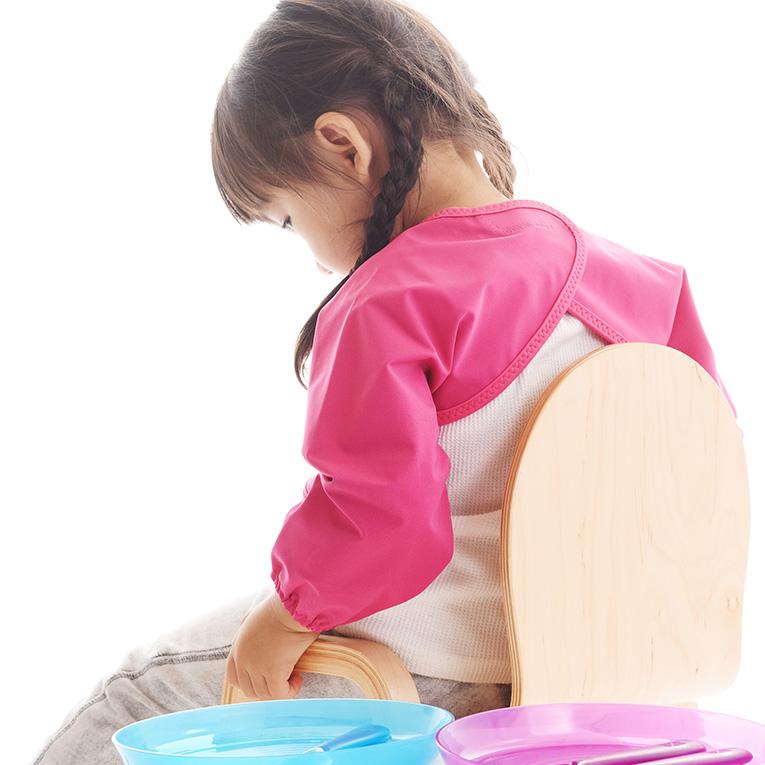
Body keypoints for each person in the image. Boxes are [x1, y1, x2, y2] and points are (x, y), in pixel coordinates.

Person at [31, 0, 738, 762]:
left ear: (342, 145)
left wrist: (287, 613)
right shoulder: (647, 286)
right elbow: (702, 483)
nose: (311, 256)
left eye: (286, 219)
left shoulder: (387, 302)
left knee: (128, 698)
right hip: (597, 685)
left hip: (428, 673)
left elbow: (383, 522)